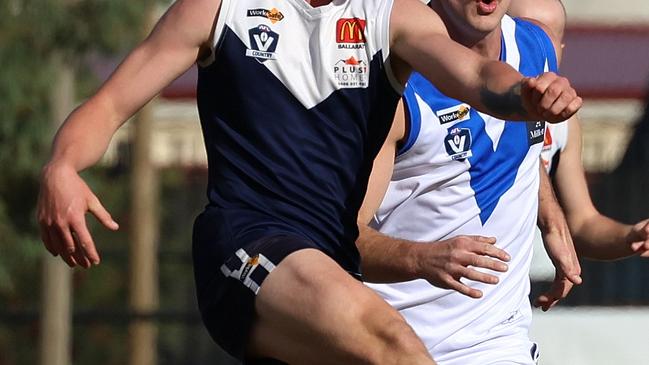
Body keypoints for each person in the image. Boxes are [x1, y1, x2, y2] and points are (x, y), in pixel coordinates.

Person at [36, 0, 581, 363]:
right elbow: (107, 107)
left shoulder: (392, 18)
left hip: (329, 266)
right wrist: (62, 165)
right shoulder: (218, 9)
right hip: (244, 248)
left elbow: (478, 76)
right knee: (397, 348)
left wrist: (526, 96)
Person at [357, 0, 581, 363]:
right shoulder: (396, 85)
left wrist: (550, 215)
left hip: (496, 342)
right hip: (394, 342)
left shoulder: (538, 42)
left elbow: (516, 144)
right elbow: (339, 238)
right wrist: (420, 259)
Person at [508, 0, 649, 265]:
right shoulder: (455, 106)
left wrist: (631, 236)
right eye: (523, 35)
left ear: (561, 49)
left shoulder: (564, 123)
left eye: (547, 37)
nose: (535, 49)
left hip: (517, 294)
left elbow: (583, 223)